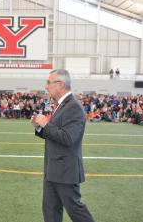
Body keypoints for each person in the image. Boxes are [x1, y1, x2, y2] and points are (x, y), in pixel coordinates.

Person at [31, 69, 95, 222]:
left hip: (65, 170)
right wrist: (39, 127)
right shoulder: (60, 105)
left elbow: (68, 138)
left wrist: (46, 124)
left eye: (49, 82)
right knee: (50, 211)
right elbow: (55, 134)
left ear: (60, 84)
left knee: (76, 211)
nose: (46, 87)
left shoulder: (74, 106)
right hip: (53, 169)